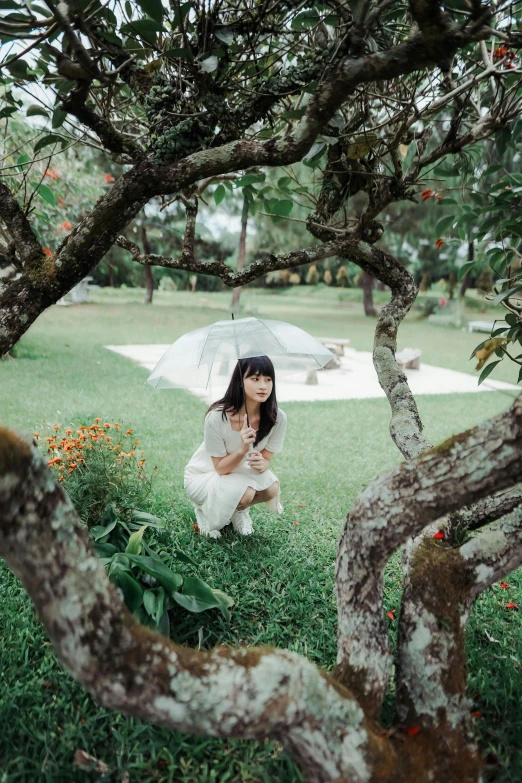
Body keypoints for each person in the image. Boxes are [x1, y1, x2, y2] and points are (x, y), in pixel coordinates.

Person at [184, 355, 287, 538]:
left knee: (271, 489)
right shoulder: (217, 417)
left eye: (268, 379)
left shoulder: (277, 418)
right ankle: (205, 511)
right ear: (240, 381)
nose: (263, 385)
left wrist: (263, 463)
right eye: (255, 379)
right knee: (247, 492)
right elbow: (220, 468)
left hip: (240, 473)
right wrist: (241, 449)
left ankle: (237, 510)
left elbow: (266, 459)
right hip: (207, 475)